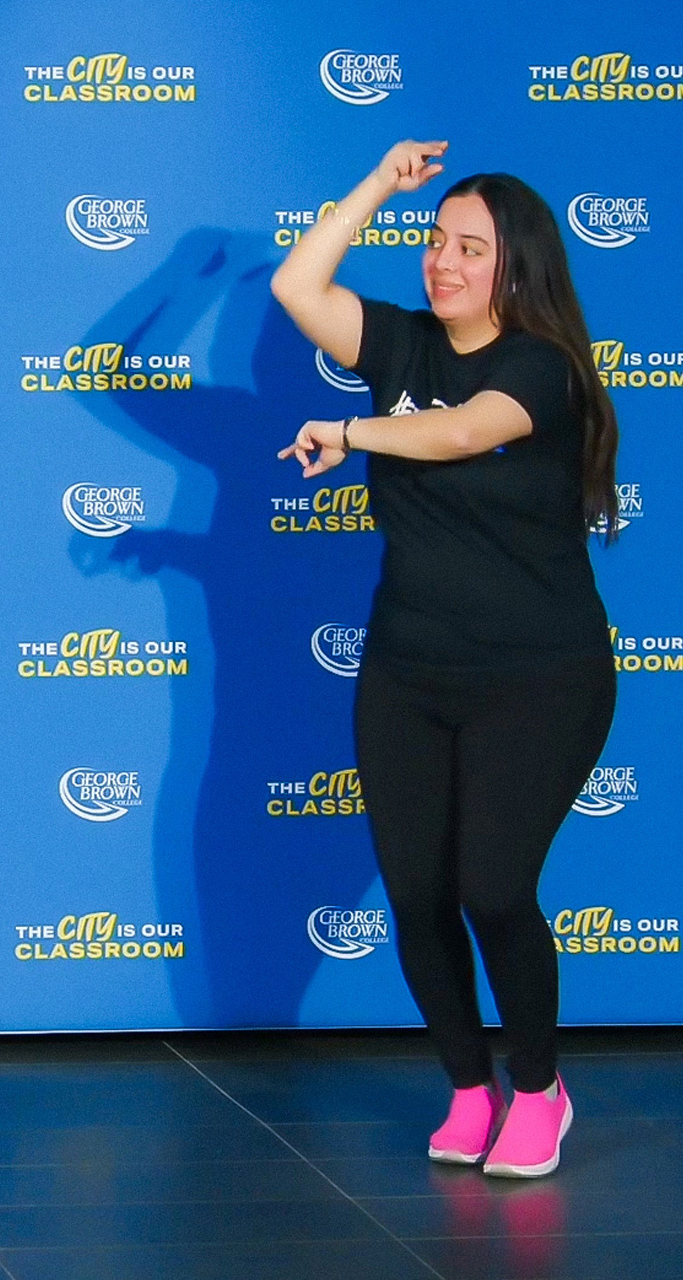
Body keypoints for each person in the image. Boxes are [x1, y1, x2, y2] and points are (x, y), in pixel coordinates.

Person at [271, 140, 618, 1178]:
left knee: (495, 887)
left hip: (539, 675)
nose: (441, 261)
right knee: (417, 894)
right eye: (435, 240)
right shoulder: (403, 345)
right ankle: (472, 1087)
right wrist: (378, 185)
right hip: (409, 671)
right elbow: (298, 282)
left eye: (470, 247)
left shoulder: (541, 367)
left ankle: (542, 1088)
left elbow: (467, 433)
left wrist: (352, 429)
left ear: (517, 265)